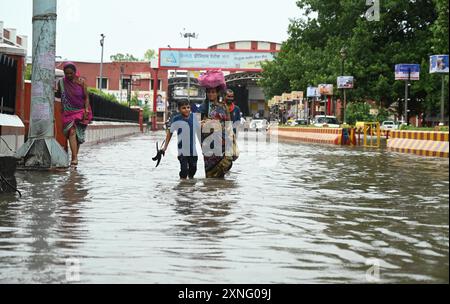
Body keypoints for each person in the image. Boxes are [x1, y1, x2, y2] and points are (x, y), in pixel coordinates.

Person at [196, 70, 233, 178]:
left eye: (213, 92)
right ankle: (210, 192)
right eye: (209, 92)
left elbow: (228, 124)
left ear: (217, 93)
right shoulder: (203, 107)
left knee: (225, 165)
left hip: (222, 142)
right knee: (210, 173)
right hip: (208, 144)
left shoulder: (223, 106)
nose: (211, 94)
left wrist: (231, 140)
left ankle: (219, 192)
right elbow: (197, 125)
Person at [55, 62, 92, 167]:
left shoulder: (81, 82)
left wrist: (86, 110)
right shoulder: (61, 83)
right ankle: (75, 158)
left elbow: (86, 97)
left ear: (75, 72)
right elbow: (58, 94)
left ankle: (74, 157)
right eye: (66, 73)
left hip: (81, 111)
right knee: (71, 132)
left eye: (71, 73)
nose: (69, 76)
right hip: (67, 112)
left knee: (78, 136)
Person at [161, 100, 200, 180]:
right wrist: (164, 147)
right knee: (184, 170)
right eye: (184, 108)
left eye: (188, 107)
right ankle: (182, 185)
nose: (186, 109)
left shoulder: (193, 117)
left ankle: (190, 185)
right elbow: (170, 134)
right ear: (179, 109)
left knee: (193, 169)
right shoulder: (176, 119)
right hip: (182, 151)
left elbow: (199, 131)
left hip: (193, 150)